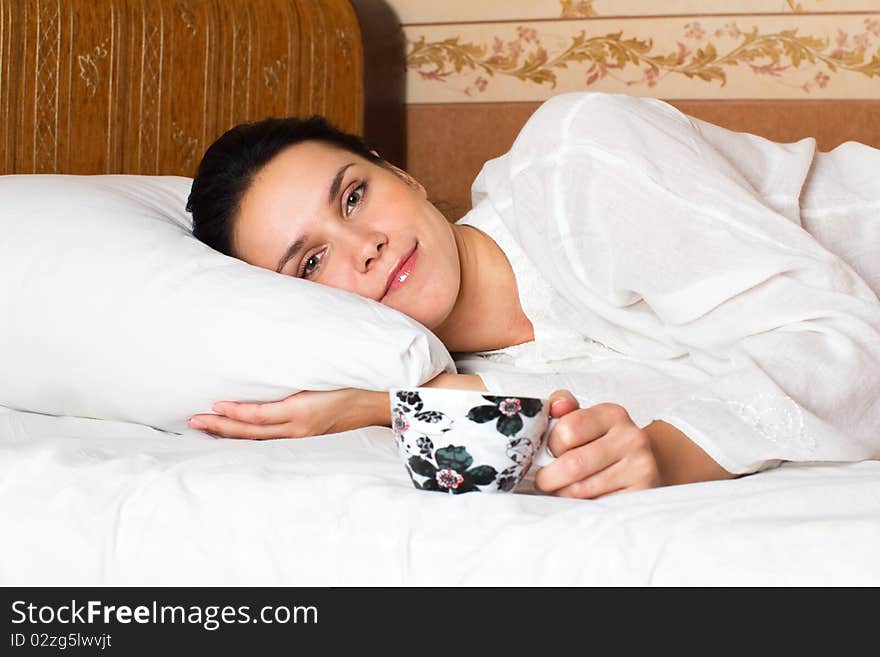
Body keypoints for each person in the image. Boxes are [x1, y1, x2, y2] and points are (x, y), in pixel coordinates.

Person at [186, 91, 880, 499]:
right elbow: (685, 377)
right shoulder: (484, 383)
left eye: (355, 195)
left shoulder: (575, 159)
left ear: (402, 173)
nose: (362, 243)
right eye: (311, 262)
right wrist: (385, 404)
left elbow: (848, 345)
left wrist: (669, 454)